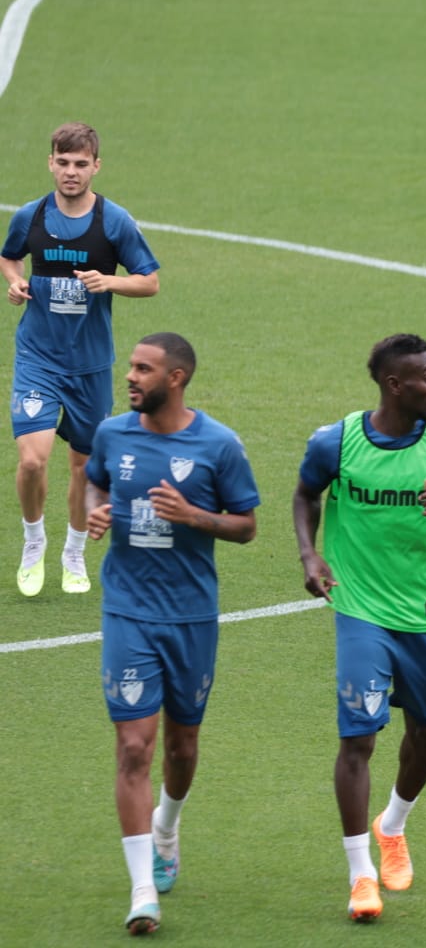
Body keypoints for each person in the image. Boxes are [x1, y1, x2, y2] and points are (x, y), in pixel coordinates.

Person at [292, 334, 426, 923]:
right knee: (358, 739)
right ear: (394, 385)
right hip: (361, 609)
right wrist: (309, 555)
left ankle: (393, 825)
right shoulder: (337, 441)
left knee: (425, 730)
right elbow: (306, 494)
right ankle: (360, 876)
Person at [84, 333, 259, 935]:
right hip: (128, 611)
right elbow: (97, 480)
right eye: (130, 366)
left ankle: (167, 828)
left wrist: (196, 518)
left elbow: (246, 526)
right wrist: (96, 508)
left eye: (143, 369)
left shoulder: (218, 445)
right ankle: (141, 891)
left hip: (190, 616)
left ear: (176, 378)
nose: (130, 377)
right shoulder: (113, 434)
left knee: (182, 747)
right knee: (135, 746)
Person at [4, 122, 160, 598]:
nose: (71, 172)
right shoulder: (29, 217)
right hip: (38, 358)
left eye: (80, 164)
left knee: (82, 466)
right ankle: (34, 543)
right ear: (51, 163)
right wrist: (13, 281)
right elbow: (9, 257)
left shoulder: (113, 222)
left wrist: (108, 281)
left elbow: (149, 280)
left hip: (90, 365)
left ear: (96, 166)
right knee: (33, 460)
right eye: (63, 162)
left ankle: (73, 552)